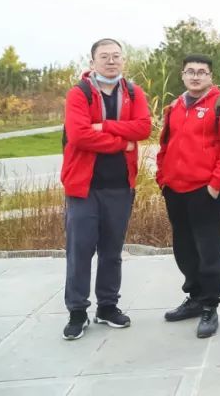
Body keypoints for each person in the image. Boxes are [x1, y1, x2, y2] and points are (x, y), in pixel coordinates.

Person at [60, 38, 152, 340]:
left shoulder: (134, 92)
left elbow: (143, 128)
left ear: (123, 60)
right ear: (92, 62)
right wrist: (122, 143)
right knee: (80, 251)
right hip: (83, 187)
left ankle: (107, 306)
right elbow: (79, 135)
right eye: (104, 56)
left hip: (120, 187)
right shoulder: (79, 93)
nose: (111, 61)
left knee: (112, 252)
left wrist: (104, 127)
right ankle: (77, 311)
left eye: (116, 56)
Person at [157, 54, 220, 339]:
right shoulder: (174, 107)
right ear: (182, 75)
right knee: (183, 247)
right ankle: (194, 296)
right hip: (174, 188)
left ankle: (210, 305)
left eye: (202, 72)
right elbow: (165, 144)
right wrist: (162, 177)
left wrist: (215, 184)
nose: (195, 76)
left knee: (209, 250)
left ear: (210, 76)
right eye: (190, 71)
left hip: (205, 190)